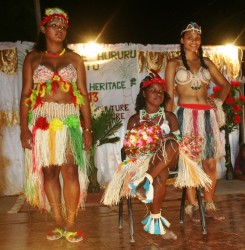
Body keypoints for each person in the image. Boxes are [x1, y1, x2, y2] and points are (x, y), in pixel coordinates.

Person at [19, 7, 92, 243]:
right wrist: (23, 129)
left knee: (69, 169)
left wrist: (88, 129)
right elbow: (25, 95)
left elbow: (82, 93)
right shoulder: (32, 58)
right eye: (54, 25)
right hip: (42, 121)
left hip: (69, 118)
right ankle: (58, 221)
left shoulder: (74, 59)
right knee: (48, 171)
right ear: (44, 29)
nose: (59, 30)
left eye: (63, 27)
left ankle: (71, 223)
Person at [165, 22, 231, 223]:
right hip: (185, 116)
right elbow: (169, 95)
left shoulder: (207, 62)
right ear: (182, 40)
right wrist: (169, 124)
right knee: (190, 162)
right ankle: (192, 205)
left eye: (197, 37)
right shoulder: (173, 63)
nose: (194, 41)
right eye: (189, 37)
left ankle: (209, 204)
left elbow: (225, 85)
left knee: (210, 163)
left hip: (206, 116)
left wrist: (217, 100)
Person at [102, 71, 180, 239]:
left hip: (170, 158)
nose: (158, 94)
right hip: (144, 161)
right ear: (144, 93)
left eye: (161, 92)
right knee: (161, 174)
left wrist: (161, 137)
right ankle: (156, 219)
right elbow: (128, 149)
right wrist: (144, 144)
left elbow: (178, 144)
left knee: (171, 143)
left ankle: (144, 181)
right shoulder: (135, 119)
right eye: (154, 91)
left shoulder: (170, 117)